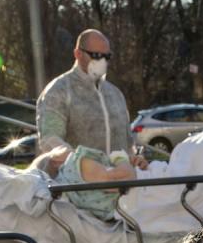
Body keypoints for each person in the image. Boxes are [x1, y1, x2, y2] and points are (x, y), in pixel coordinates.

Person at [35, 29, 147, 171]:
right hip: (76, 187)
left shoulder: (115, 94)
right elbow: (50, 139)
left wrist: (134, 159)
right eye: (96, 55)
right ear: (78, 54)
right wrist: (81, 165)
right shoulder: (58, 91)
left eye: (107, 56)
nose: (102, 61)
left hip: (120, 184)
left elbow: (128, 144)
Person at [32, 144, 135, 221]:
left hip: (127, 213)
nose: (70, 148)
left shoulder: (67, 192)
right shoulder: (74, 163)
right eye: (62, 148)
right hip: (138, 196)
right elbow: (125, 178)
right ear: (55, 160)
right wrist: (121, 159)